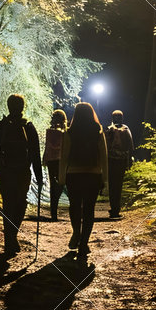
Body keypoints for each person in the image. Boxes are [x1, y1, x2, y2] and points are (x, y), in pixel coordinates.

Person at [0, 94, 42, 255]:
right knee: (20, 203)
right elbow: (35, 154)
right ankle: (12, 237)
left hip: (6, 171)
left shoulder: (1, 126)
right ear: (22, 107)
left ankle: (10, 238)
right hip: (22, 171)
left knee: (9, 203)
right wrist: (39, 177)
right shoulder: (28, 127)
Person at [59, 102, 107, 256]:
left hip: (74, 174)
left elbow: (64, 156)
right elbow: (104, 157)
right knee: (88, 209)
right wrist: (105, 179)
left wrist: (62, 177)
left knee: (74, 206)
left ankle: (76, 234)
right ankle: (84, 243)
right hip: (93, 175)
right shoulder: (98, 132)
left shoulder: (69, 132)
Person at [105, 111, 134, 219]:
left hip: (117, 161)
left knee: (116, 186)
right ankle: (115, 208)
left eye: (119, 117)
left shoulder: (124, 130)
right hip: (114, 161)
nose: (117, 119)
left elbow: (130, 146)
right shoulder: (111, 130)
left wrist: (129, 161)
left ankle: (115, 208)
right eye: (115, 117)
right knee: (114, 186)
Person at [43, 110, 67, 221]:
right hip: (60, 160)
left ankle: (54, 212)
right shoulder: (65, 132)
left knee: (55, 185)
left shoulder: (50, 131)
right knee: (60, 183)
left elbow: (47, 145)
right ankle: (54, 212)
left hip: (52, 160)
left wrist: (45, 158)